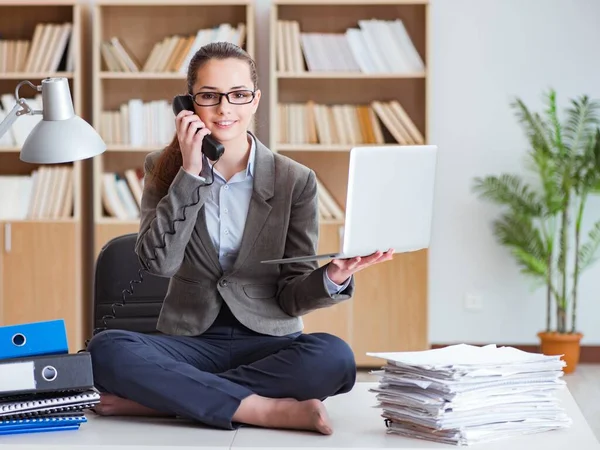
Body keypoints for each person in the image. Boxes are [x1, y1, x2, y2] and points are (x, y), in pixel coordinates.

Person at [86, 41, 394, 435]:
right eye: (209, 96)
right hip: (189, 342)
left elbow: (291, 294)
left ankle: (161, 403)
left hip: (267, 342)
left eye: (238, 95)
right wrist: (191, 173)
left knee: (334, 358)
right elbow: (159, 262)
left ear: (255, 101)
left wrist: (333, 276)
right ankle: (264, 410)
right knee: (105, 350)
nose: (224, 108)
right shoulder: (163, 170)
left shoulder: (294, 180)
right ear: (188, 104)